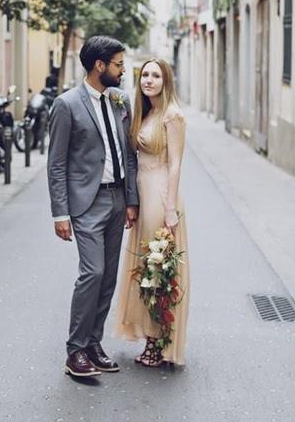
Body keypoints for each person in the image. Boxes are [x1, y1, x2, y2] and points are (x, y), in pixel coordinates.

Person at [47, 35, 139, 378]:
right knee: (93, 272)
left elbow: (128, 153)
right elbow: (56, 163)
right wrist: (60, 212)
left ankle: (93, 343)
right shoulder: (66, 104)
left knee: (109, 277)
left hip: (117, 199)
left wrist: (131, 200)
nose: (123, 69)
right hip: (86, 202)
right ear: (99, 66)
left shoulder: (119, 100)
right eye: (118, 64)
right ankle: (75, 350)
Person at [115, 57, 189, 367]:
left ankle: (158, 342)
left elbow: (175, 165)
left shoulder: (172, 115)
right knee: (145, 269)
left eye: (156, 75)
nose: (149, 80)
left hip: (160, 198)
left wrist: (170, 209)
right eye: (145, 74)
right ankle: (150, 337)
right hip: (143, 196)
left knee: (156, 271)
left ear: (166, 80)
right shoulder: (147, 112)